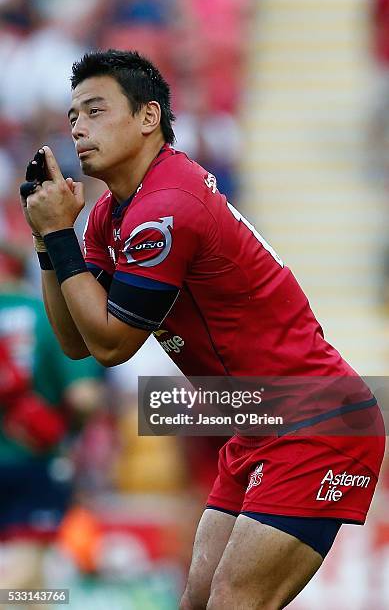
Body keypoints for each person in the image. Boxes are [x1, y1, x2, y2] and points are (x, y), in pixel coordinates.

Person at [19, 49, 385, 609]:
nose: (79, 129)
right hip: (258, 422)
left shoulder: (167, 207)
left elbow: (114, 345)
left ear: (148, 117)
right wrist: (50, 242)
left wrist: (60, 237)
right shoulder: (108, 215)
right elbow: (77, 342)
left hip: (319, 420)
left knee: (234, 601)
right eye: (73, 117)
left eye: (95, 111)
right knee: (198, 602)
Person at [0, 243, 104, 597]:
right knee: (26, 568)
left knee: (36, 586)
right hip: (35, 460)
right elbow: (84, 396)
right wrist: (69, 431)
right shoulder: (46, 316)